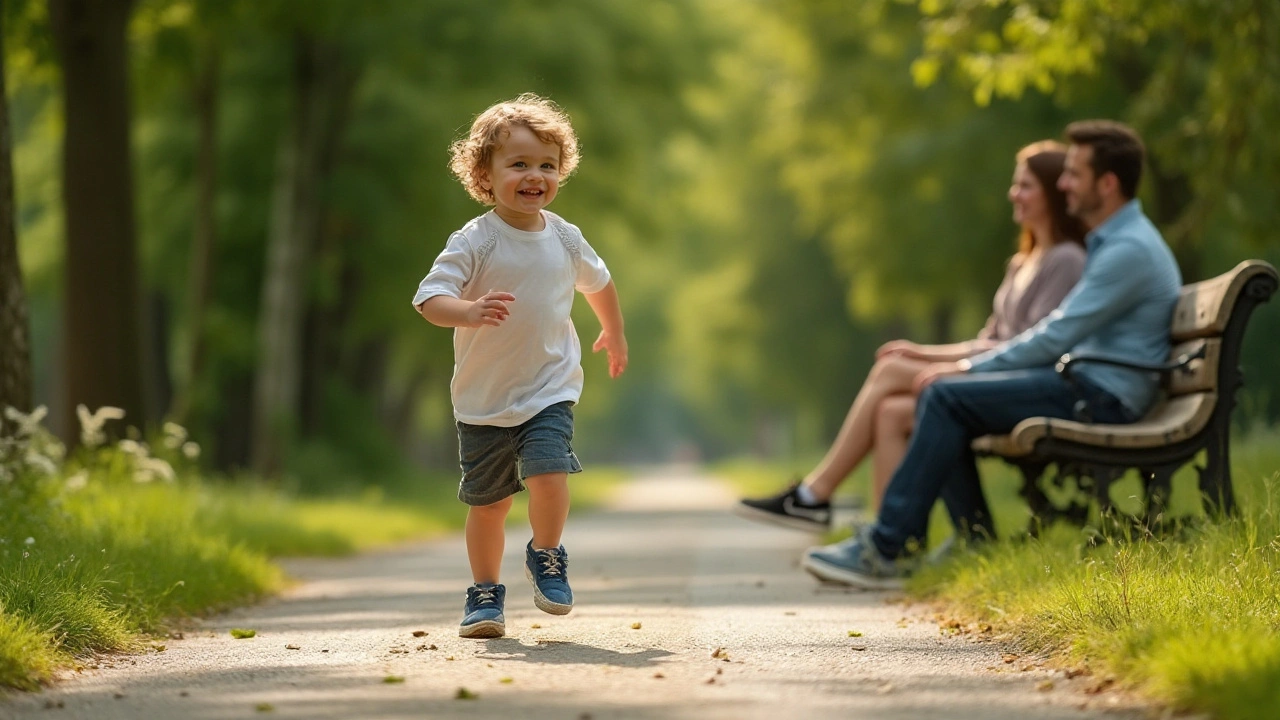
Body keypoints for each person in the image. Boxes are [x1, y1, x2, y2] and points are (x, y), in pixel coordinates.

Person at [801, 119, 1182, 589]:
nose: (1063, 183)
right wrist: (956, 368)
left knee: (944, 397)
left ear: (1107, 184)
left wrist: (964, 368)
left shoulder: (1127, 250)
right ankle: (968, 537)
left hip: (1102, 396)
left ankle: (888, 546)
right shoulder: (1116, 243)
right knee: (943, 398)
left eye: (1075, 174)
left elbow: (1054, 337)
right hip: (1090, 384)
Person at [735, 141, 1088, 532]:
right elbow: (988, 338)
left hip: (1020, 384)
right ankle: (889, 535)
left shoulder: (1067, 260)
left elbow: (1029, 347)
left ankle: (815, 495)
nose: (1013, 194)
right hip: (993, 373)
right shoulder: (1022, 262)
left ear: (1054, 193)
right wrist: (921, 351)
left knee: (889, 372)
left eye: (1025, 186)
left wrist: (933, 362)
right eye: (1015, 184)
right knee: (890, 412)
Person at [413, 94, 628, 638]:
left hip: (549, 386)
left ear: (561, 171)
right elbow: (428, 299)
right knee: (489, 505)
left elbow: (599, 284)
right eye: (519, 164)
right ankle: (484, 594)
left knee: (549, 473)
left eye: (547, 165)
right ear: (484, 174)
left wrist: (614, 332)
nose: (536, 176)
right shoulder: (475, 240)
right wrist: (468, 310)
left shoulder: (564, 236)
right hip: (483, 399)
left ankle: (547, 554)